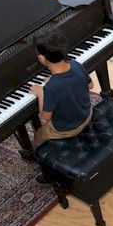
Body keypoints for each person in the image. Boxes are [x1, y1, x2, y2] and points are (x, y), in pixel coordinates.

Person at [30, 29, 93, 180]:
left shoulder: (51, 88)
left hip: (67, 129)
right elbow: (90, 86)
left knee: (37, 137)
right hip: (87, 113)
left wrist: (40, 93)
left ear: (41, 59)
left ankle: (47, 174)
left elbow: (45, 117)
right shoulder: (76, 64)